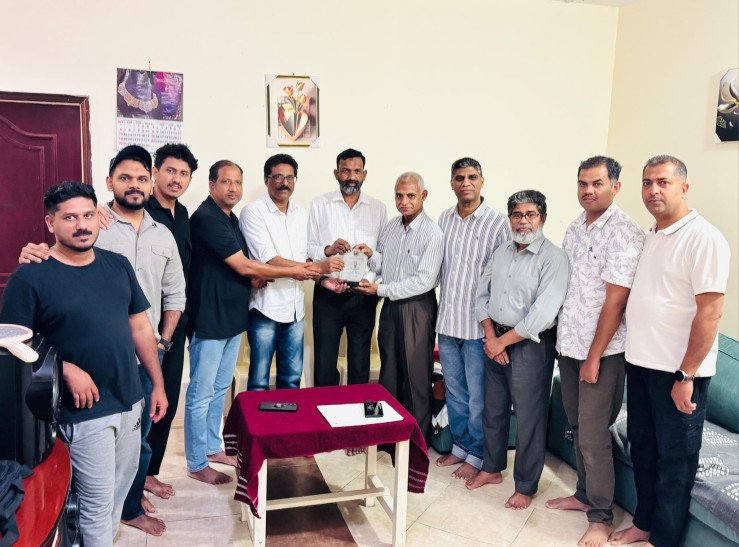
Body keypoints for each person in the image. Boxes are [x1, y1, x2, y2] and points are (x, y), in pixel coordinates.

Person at [19, 145, 185, 536]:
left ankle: (116, 523)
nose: (81, 224)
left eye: (87, 215)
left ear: (98, 217)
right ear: (50, 223)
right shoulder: (33, 274)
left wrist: (157, 380)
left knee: (115, 494)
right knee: (94, 505)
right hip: (85, 409)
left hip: (130, 393)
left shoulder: (120, 264)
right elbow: (15, 347)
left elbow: (141, 325)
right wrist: (64, 367)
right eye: (69, 217)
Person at [610, 156, 730, 547]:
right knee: (643, 449)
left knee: (675, 461)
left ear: (684, 187)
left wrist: (686, 374)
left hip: (678, 373)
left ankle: (663, 539)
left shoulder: (704, 238)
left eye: (663, 182)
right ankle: (643, 524)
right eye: (647, 183)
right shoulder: (653, 234)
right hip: (641, 364)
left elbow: (710, 313)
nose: (653, 190)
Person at [185, 160, 314, 485]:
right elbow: (244, 265)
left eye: (237, 182)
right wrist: (295, 271)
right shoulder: (205, 217)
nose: (233, 188)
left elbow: (239, 267)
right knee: (201, 392)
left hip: (232, 316)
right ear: (212, 185)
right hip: (210, 316)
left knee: (219, 389)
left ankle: (213, 448)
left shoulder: (230, 218)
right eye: (225, 182)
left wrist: (254, 278)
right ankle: (196, 462)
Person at [544, 156, 644, 547]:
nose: (588, 190)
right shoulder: (575, 227)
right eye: (583, 183)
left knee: (593, 435)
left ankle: (601, 517)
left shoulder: (626, 233)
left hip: (603, 353)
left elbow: (615, 303)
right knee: (576, 427)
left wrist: (593, 357)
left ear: (615, 186)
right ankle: (584, 494)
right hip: (569, 346)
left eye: (597, 183)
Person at [468, 190, 569, 511]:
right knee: (493, 409)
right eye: (517, 215)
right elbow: (481, 294)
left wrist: (501, 342)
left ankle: (525, 486)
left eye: (530, 215)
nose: (523, 221)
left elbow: (543, 313)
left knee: (529, 418)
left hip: (530, 346)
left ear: (543, 218)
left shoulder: (554, 258)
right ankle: (491, 468)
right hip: (495, 338)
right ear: (509, 218)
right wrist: (490, 337)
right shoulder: (502, 251)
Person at [435, 157, 510, 481]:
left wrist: (493, 330)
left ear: (482, 181)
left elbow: (503, 277)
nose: (465, 183)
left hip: (478, 328)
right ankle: (461, 446)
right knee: (455, 393)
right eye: (459, 177)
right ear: (452, 183)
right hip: (447, 323)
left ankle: (478, 454)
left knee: (479, 397)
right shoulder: (444, 219)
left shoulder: (498, 223)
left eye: (472, 177)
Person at [239, 154, 343, 390]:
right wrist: (319, 267)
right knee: (259, 382)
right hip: (266, 307)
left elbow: (304, 257)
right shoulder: (253, 211)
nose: (284, 183)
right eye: (278, 177)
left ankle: (289, 417)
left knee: (292, 380)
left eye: (290, 177)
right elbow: (269, 260)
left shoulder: (300, 213)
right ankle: (259, 417)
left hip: (295, 310)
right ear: (266, 180)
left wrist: (323, 278)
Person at [354, 172, 443, 436]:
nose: (404, 202)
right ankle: (387, 436)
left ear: (423, 196)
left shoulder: (433, 233)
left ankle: (416, 440)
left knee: (416, 378)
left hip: (417, 308)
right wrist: (371, 255)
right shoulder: (392, 227)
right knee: (389, 374)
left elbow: (424, 281)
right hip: (391, 307)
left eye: (411, 196)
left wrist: (380, 289)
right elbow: (385, 266)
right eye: (399, 196)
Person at [142, 143, 198, 502]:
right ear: (155, 172)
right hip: (144, 324)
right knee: (143, 403)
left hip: (175, 323)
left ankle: (149, 473)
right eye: (170, 171)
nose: (176, 179)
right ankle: (135, 480)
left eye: (183, 173)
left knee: (168, 400)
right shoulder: (139, 210)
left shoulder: (184, 214)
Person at [307, 148, 387, 387]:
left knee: (360, 362)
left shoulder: (378, 208)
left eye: (357, 171)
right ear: (336, 173)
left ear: (364, 174)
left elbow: (384, 258)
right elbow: (307, 248)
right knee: (324, 360)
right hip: (329, 292)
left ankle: (356, 409)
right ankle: (324, 408)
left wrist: (371, 255)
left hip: (363, 293)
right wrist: (328, 249)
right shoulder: (320, 204)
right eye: (345, 171)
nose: (351, 177)